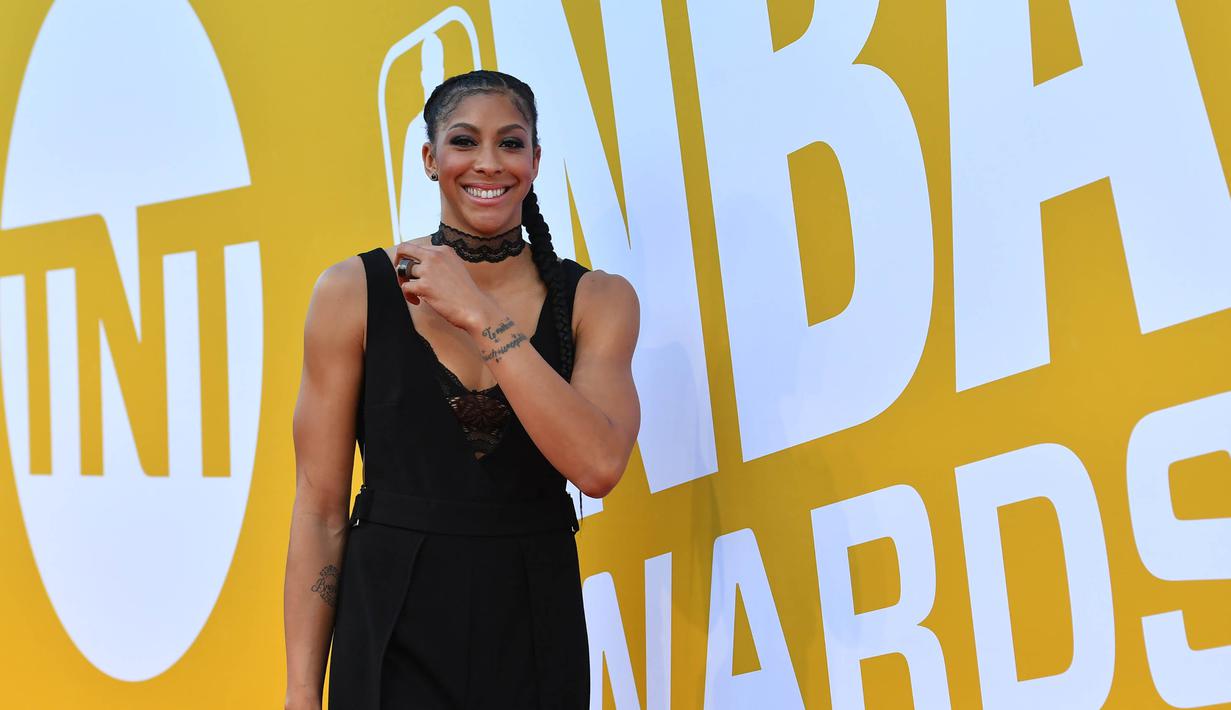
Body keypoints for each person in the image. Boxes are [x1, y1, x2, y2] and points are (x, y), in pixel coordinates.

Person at [282, 69, 641, 710]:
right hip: (390, 621)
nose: (488, 163)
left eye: (510, 143)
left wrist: (479, 314)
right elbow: (319, 508)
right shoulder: (352, 293)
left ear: (534, 158)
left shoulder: (596, 299)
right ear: (431, 158)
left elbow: (598, 466)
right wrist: (301, 692)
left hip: (534, 617)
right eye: (464, 141)